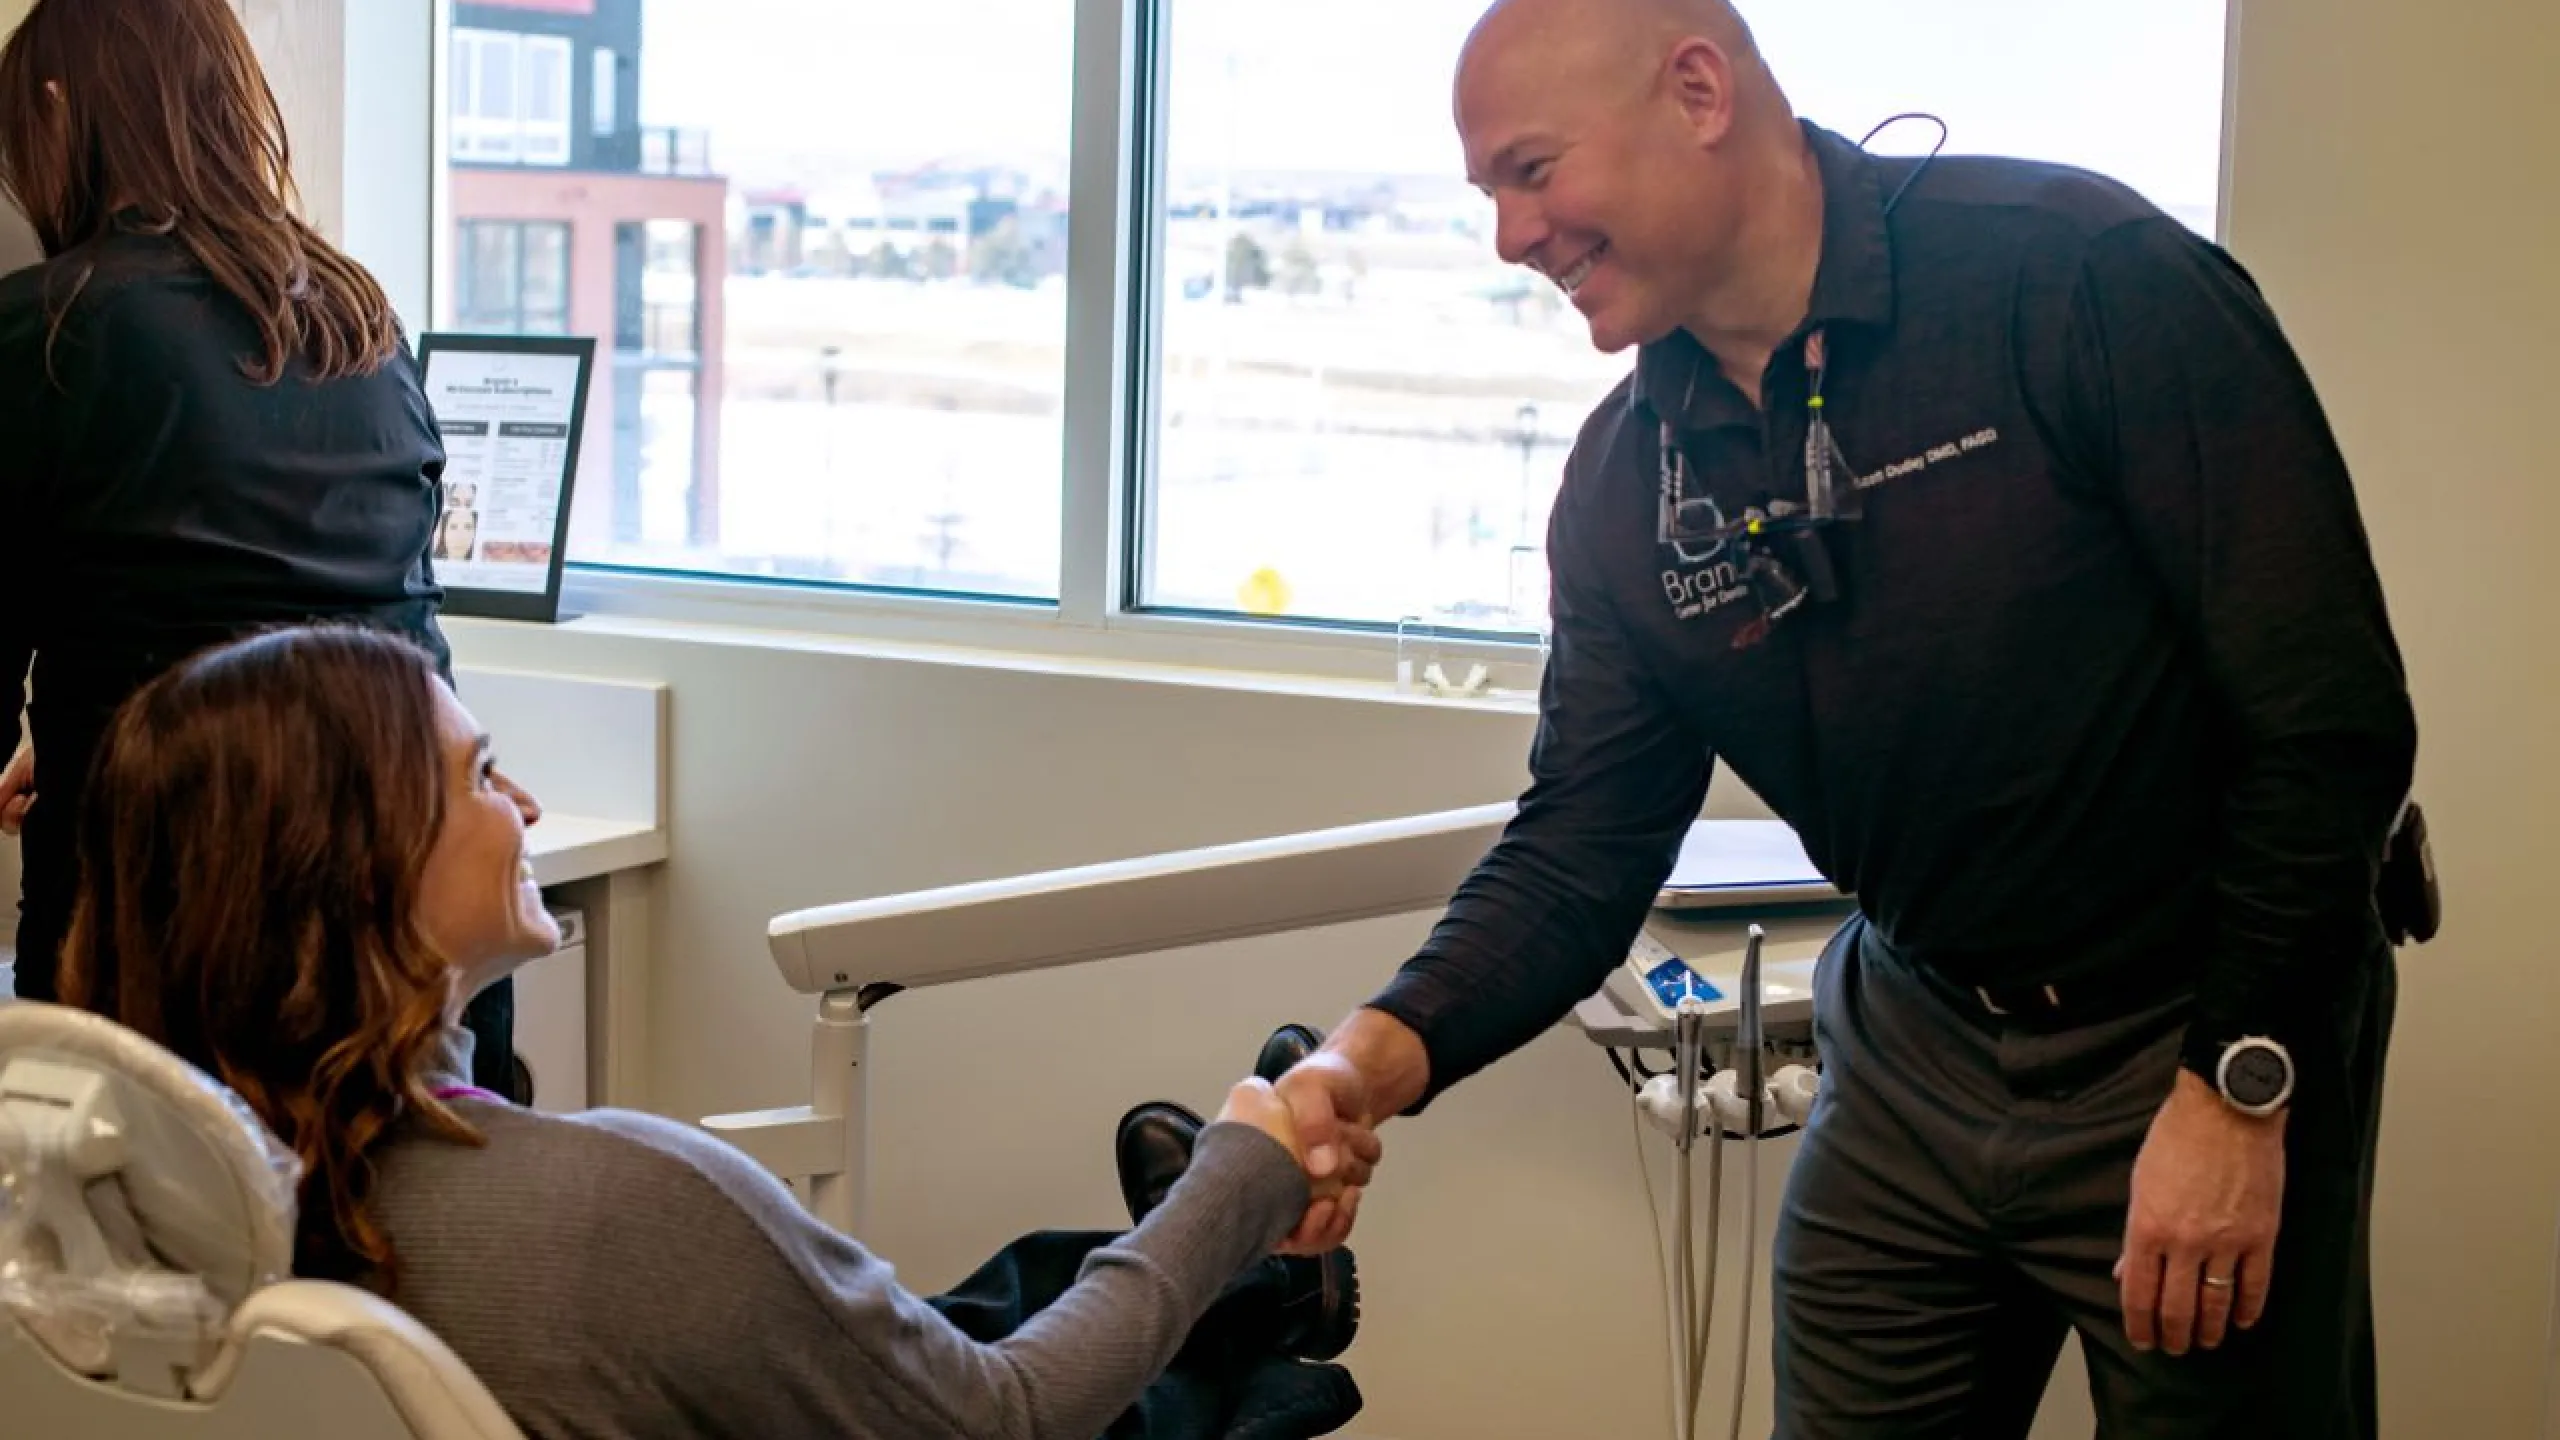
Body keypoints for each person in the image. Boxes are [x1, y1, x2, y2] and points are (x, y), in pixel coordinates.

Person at [1266, 1, 2416, 1436]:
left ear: (1698, 91)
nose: (1510, 236)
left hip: (2192, 1021)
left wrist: (2239, 1090)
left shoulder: (2081, 282)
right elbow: (1581, 847)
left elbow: (2328, 725)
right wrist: (1360, 1064)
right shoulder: (1627, 485)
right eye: (1487, 192)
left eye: (1532, 170)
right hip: (1916, 1037)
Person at [55, 624, 1369, 1440]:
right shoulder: (619, 1207)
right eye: (477, 775)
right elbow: (1003, 1420)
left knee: (976, 1296)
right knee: (1179, 1382)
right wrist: (1242, 1174)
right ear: (360, 868)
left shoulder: (138, 1210)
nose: (524, 805)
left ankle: (1242, 1269)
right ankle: (1248, 1278)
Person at [0, 0, 520, 1099]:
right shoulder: (361, 321)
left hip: (174, 930)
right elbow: (342, 619)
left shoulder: (48, 328)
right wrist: (96, 692)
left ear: (55, 107)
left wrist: (102, 716)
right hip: (407, 912)